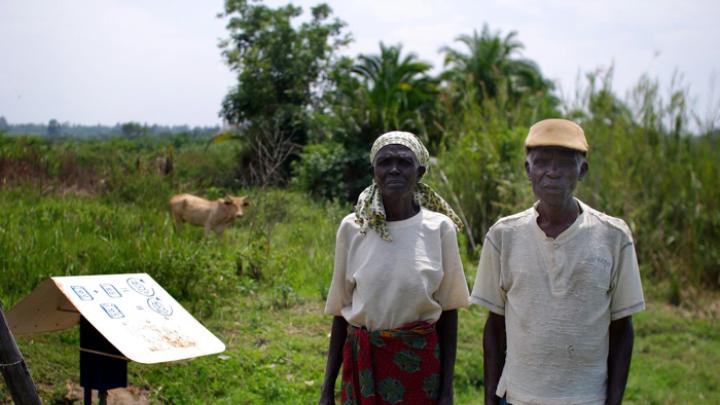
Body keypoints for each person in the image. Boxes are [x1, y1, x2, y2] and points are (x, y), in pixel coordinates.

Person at [471, 119, 645, 405]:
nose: (552, 173)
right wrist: (490, 400)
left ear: (582, 171)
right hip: (517, 397)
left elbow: (622, 330)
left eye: (565, 163)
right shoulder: (504, 235)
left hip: (587, 398)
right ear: (528, 170)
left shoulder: (614, 236)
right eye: (541, 162)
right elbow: (494, 326)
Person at [319, 131, 470, 405]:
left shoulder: (439, 228)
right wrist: (327, 389)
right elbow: (342, 312)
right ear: (372, 170)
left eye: (404, 162)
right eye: (385, 162)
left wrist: (447, 391)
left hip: (418, 367)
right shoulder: (354, 227)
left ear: (420, 171)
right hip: (364, 365)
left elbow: (449, 312)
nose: (394, 170)